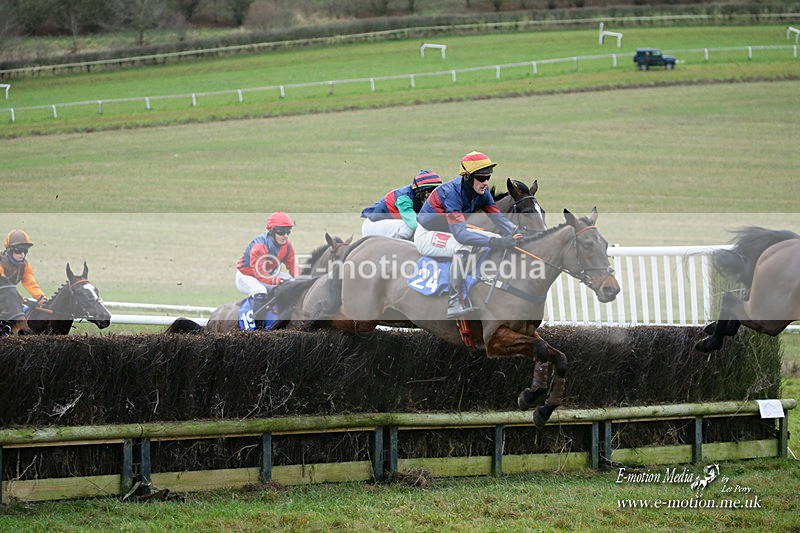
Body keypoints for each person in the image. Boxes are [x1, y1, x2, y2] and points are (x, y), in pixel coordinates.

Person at [415, 151, 520, 318]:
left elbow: (498, 218)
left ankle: (471, 286)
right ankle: (454, 302)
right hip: (427, 234)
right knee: (465, 245)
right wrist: (495, 242)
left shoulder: (482, 193)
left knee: (492, 239)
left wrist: (517, 232)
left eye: (488, 178)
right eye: (481, 178)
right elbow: (461, 236)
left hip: (449, 229)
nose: (485, 183)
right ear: (468, 177)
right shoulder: (451, 193)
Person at [361, 170, 442, 240]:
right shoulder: (404, 199)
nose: (431, 200)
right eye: (427, 195)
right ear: (419, 193)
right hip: (373, 225)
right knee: (409, 228)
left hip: (391, 226)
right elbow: (414, 224)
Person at [236, 211, 300, 297]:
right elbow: (259, 273)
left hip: (268, 275)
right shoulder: (259, 246)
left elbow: (293, 267)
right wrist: (279, 281)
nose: (285, 236)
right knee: (260, 292)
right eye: (281, 232)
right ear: (272, 231)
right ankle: (251, 311)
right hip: (247, 277)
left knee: (294, 285)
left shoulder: (287, 246)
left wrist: (303, 279)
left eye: (288, 232)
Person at [0, 229, 46, 304]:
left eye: (25, 251)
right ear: (10, 249)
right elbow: (6, 286)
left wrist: (42, 299)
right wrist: (24, 300)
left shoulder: (25, 266)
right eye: (18, 250)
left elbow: (31, 284)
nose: (22, 254)